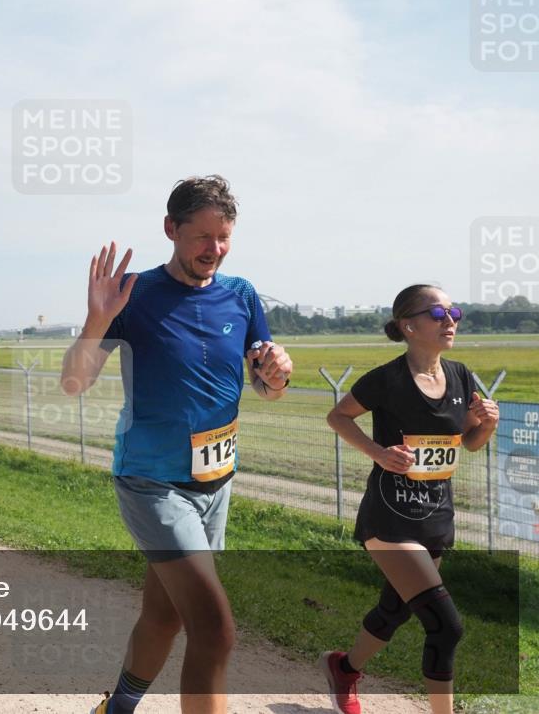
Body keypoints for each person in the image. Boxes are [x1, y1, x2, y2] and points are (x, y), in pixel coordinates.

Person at [60, 176, 293, 714]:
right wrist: (98, 319)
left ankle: (115, 708)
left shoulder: (242, 294)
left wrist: (276, 377)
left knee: (164, 616)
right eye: (202, 237)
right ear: (171, 229)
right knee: (214, 629)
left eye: (225, 237)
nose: (214, 250)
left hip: (216, 483)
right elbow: (74, 382)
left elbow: (264, 386)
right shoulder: (132, 295)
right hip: (152, 483)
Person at [323, 285, 499, 714]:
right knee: (446, 627)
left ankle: (344, 668)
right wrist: (378, 453)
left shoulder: (460, 375)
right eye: (438, 312)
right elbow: (337, 416)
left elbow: (468, 443)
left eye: (453, 310)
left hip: (437, 516)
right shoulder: (386, 379)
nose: (450, 319)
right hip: (390, 518)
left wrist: (487, 426)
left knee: (395, 609)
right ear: (409, 325)